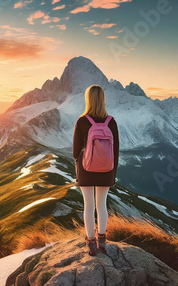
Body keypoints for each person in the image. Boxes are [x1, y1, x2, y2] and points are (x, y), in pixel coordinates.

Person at [72, 84, 119, 256]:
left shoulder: (82, 121)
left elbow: (75, 151)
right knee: (102, 205)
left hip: (86, 168)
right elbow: (116, 151)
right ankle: (102, 240)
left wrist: (82, 159)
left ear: (88, 99)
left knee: (88, 205)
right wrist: (112, 173)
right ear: (103, 100)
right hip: (106, 169)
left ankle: (91, 243)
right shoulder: (111, 122)